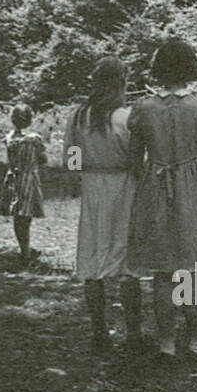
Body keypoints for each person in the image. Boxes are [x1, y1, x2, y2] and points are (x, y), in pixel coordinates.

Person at [126, 38, 197, 361]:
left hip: (155, 187)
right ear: (191, 68)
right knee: (195, 265)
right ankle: (196, 338)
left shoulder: (143, 108)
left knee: (163, 269)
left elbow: (132, 161)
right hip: (192, 188)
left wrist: (152, 170)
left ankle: (167, 342)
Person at [66, 55, 142, 354]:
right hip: (123, 187)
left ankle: (100, 332)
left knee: (94, 256)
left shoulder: (79, 116)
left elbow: (72, 155)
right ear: (122, 82)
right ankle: (133, 334)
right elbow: (136, 162)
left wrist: (76, 178)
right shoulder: (127, 117)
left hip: (94, 187)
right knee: (127, 262)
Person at [0, 104, 47, 266]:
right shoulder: (34, 139)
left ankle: (23, 247)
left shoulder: (9, 138)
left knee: (17, 215)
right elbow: (43, 159)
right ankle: (26, 252)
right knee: (26, 216)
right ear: (30, 120)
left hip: (13, 177)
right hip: (28, 177)